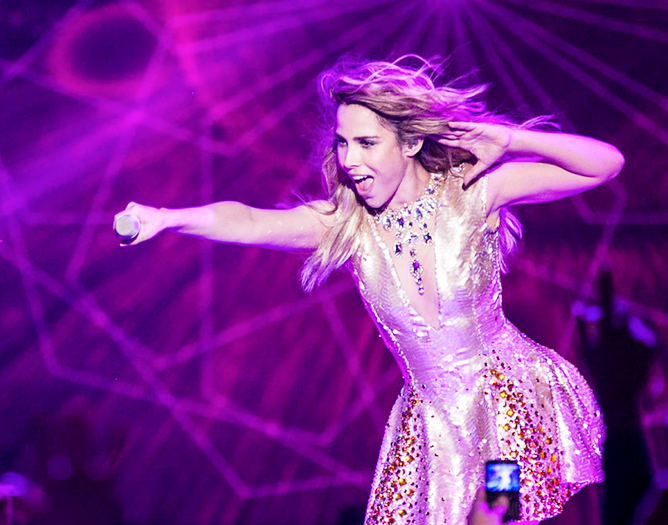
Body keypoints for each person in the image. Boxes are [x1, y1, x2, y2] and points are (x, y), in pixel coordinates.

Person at [115, 56, 623, 524]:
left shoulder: (473, 192)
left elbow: (605, 164)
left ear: (410, 143)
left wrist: (510, 140)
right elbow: (249, 221)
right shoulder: (349, 225)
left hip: (507, 409)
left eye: (366, 143)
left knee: (493, 516)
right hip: (433, 431)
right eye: (342, 143)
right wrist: (168, 217)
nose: (350, 160)